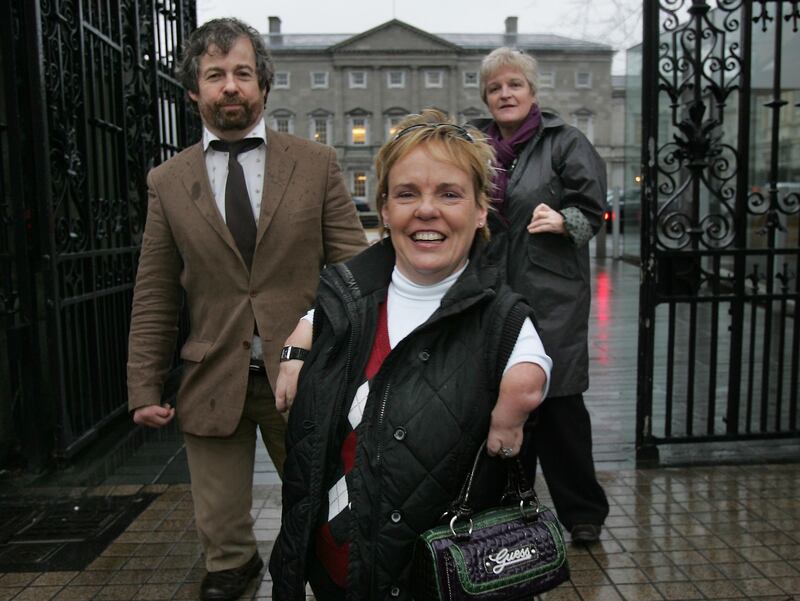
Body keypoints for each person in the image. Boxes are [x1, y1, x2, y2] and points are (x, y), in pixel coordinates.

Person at [126, 18, 367, 601]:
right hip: (211, 372)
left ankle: (331, 571)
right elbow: (156, 290)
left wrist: (355, 360)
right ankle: (233, 569)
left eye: (241, 73)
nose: (229, 86)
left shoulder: (315, 163)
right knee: (219, 520)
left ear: (263, 83)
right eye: (214, 76)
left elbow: (353, 270)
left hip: (304, 372)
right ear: (194, 92)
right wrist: (144, 385)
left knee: (323, 498)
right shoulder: (167, 180)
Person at [269, 111, 553, 601]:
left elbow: (531, 376)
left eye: (449, 193)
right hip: (336, 575)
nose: (426, 210)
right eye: (406, 194)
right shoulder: (342, 299)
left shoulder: (504, 321)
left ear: (482, 210)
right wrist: (296, 347)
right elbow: (315, 321)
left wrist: (516, 401)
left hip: (442, 582)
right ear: (384, 210)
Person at [471, 47, 610, 544]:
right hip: (490, 293)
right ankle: (513, 509)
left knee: (559, 404)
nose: (504, 94)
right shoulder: (475, 148)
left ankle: (583, 513)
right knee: (504, 401)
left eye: (514, 85)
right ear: (486, 97)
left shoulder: (564, 142)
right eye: (494, 88)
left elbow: (592, 207)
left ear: (532, 93)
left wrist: (565, 219)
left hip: (551, 293)